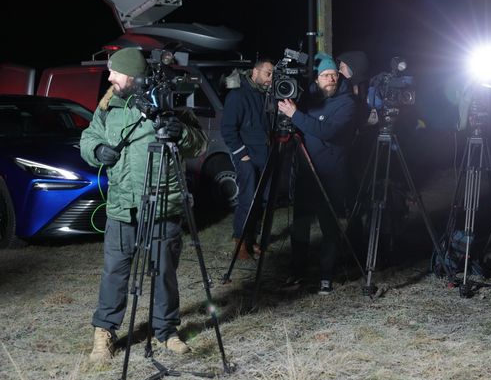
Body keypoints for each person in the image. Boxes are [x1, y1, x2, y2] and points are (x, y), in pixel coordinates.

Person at [80, 48, 208, 362]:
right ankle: (104, 333)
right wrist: (97, 150)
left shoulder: (167, 103)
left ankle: (166, 331)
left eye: (116, 72)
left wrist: (182, 135)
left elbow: (199, 143)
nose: (109, 78)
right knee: (115, 272)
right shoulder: (109, 105)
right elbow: (87, 137)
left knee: (164, 271)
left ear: (134, 75)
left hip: (164, 204)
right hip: (123, 206)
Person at [277, 52, 357, 294]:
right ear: (317, 79)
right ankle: (297, 270)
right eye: (325, 75)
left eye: (333, 74)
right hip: (306, 174)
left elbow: (327, 131)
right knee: (299, 225)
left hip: (331, 177)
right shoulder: (308, 100)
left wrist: (296, 116)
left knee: (328, 227)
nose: (330, 79)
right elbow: (299, 124)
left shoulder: (347, 104)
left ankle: (326, 274)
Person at [220, 58, 274, 259]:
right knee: (248, 199)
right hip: (248, 157)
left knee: (262, 200)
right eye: (268, 73)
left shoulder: (265, 96)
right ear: (255, 72)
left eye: (273, 74)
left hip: (265, 155)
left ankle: (252, 239)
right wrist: (241, 154)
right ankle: (240, 242)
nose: (271, 78)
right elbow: (228, 129)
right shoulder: (238, 95)